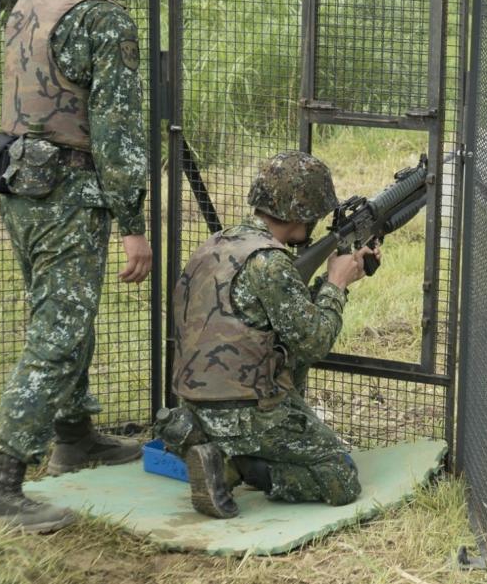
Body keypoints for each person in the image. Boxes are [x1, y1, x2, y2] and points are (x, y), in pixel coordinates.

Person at [0, 0, 158, 533]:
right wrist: (134, 226)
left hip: (19, 187)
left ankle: (74, 436)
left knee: (60, 315)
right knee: (57, 334)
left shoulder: (32, 3)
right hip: (70, 195)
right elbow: (118, 134)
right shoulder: (105, 21)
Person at [160, 150, 377, 519]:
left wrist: (331, 281)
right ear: (300, 214)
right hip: (250, 412)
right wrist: (336, 285)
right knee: (340, 477)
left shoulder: (214, 245)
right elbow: (313, 340)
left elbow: (273, 321)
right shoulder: (270, 262)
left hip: (194, 402)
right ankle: (235, 466)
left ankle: (200, 437)